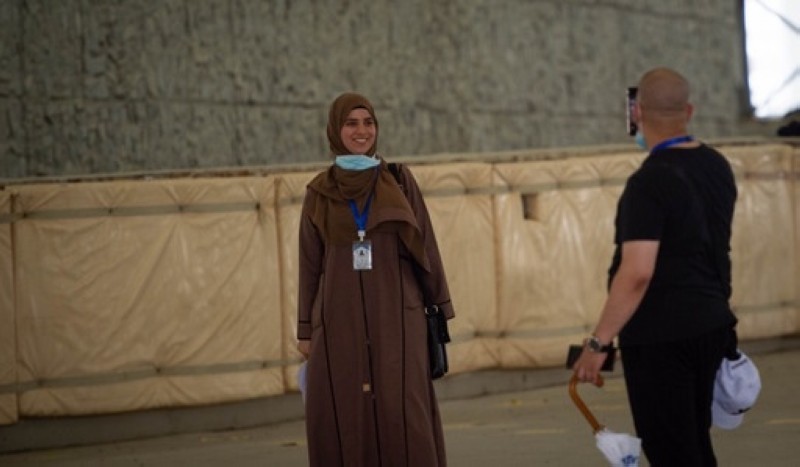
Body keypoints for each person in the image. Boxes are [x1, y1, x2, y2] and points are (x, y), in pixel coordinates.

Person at [572, 67, 739, 466]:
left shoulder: (648, 184)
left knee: (673, 452)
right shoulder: (717, 166)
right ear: (689, 111)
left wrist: (598, 343)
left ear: (637, 114)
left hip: (661, 337)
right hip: (711, 325)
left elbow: (637, 272)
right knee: (695, 442)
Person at [296, 92, 455, 467]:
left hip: (399, 318)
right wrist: (305, 330)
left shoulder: (398, 181)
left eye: (368, 123)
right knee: (346, 413)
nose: (361, 131)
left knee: (403, 412)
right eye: (351, 123)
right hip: (338, 321)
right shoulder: (318, 193)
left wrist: (440, 308)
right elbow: (309, 265)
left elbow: (426, 246)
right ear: (335, 130)